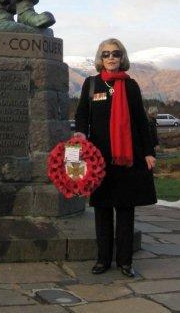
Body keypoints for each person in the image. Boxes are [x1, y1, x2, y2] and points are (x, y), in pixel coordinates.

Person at [75, 38, 156, 278]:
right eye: (107, 53)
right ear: (101, 57)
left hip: (127, 158)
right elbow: (82, 115)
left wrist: (149, 152)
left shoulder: (131, 86)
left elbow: (141, 121)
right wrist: (80, 133)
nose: (111, 57)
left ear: (122, 57)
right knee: (101, 209)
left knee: (125, 210)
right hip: (99, 158)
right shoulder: (91, 84)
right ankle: (103, 260)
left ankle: (125, 262)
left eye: (116, 53)